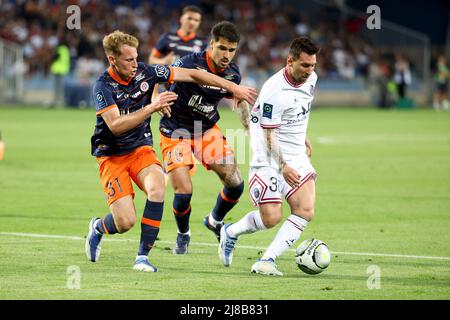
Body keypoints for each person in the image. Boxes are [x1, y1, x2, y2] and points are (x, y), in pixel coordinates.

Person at [85, 30, 257, 272]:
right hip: (112, 155)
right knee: (125, 222)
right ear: (112, 59)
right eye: (128, 60)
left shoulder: (146, 71)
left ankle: (142, 258)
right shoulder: (103, 86)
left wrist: (233, 88)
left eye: (136, 58)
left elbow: (194, 75)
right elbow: (115, 125)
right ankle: (98, 227)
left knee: (157, 188)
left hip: (143, 148)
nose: (135, 64)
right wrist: (153, 106)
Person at [218, 37, 320, 276]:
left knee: (305, 210)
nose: (309, 71)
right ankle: (230, 232)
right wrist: (283, 165)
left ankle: (267, 260)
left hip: (294, 154)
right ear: (290, 61)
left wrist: (300, 136)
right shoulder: (274, 90)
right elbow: (268, 135)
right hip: (268, 157)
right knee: (272, 217)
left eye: (313, 65)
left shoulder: (311, 79)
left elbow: (299, 111)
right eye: (304, 65)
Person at [158, 21, 250, 255]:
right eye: (222, 48)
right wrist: (156, 101)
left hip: (206, 129)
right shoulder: (189, 63)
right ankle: (183, 234)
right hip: (175, 130)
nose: (226, 54)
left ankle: (214, 220)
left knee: (236, 183)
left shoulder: (233, 74)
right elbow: (159, 79)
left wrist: (248, 124)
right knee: (184, 192)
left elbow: (238, 101)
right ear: (211, 44)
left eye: (232, 50)